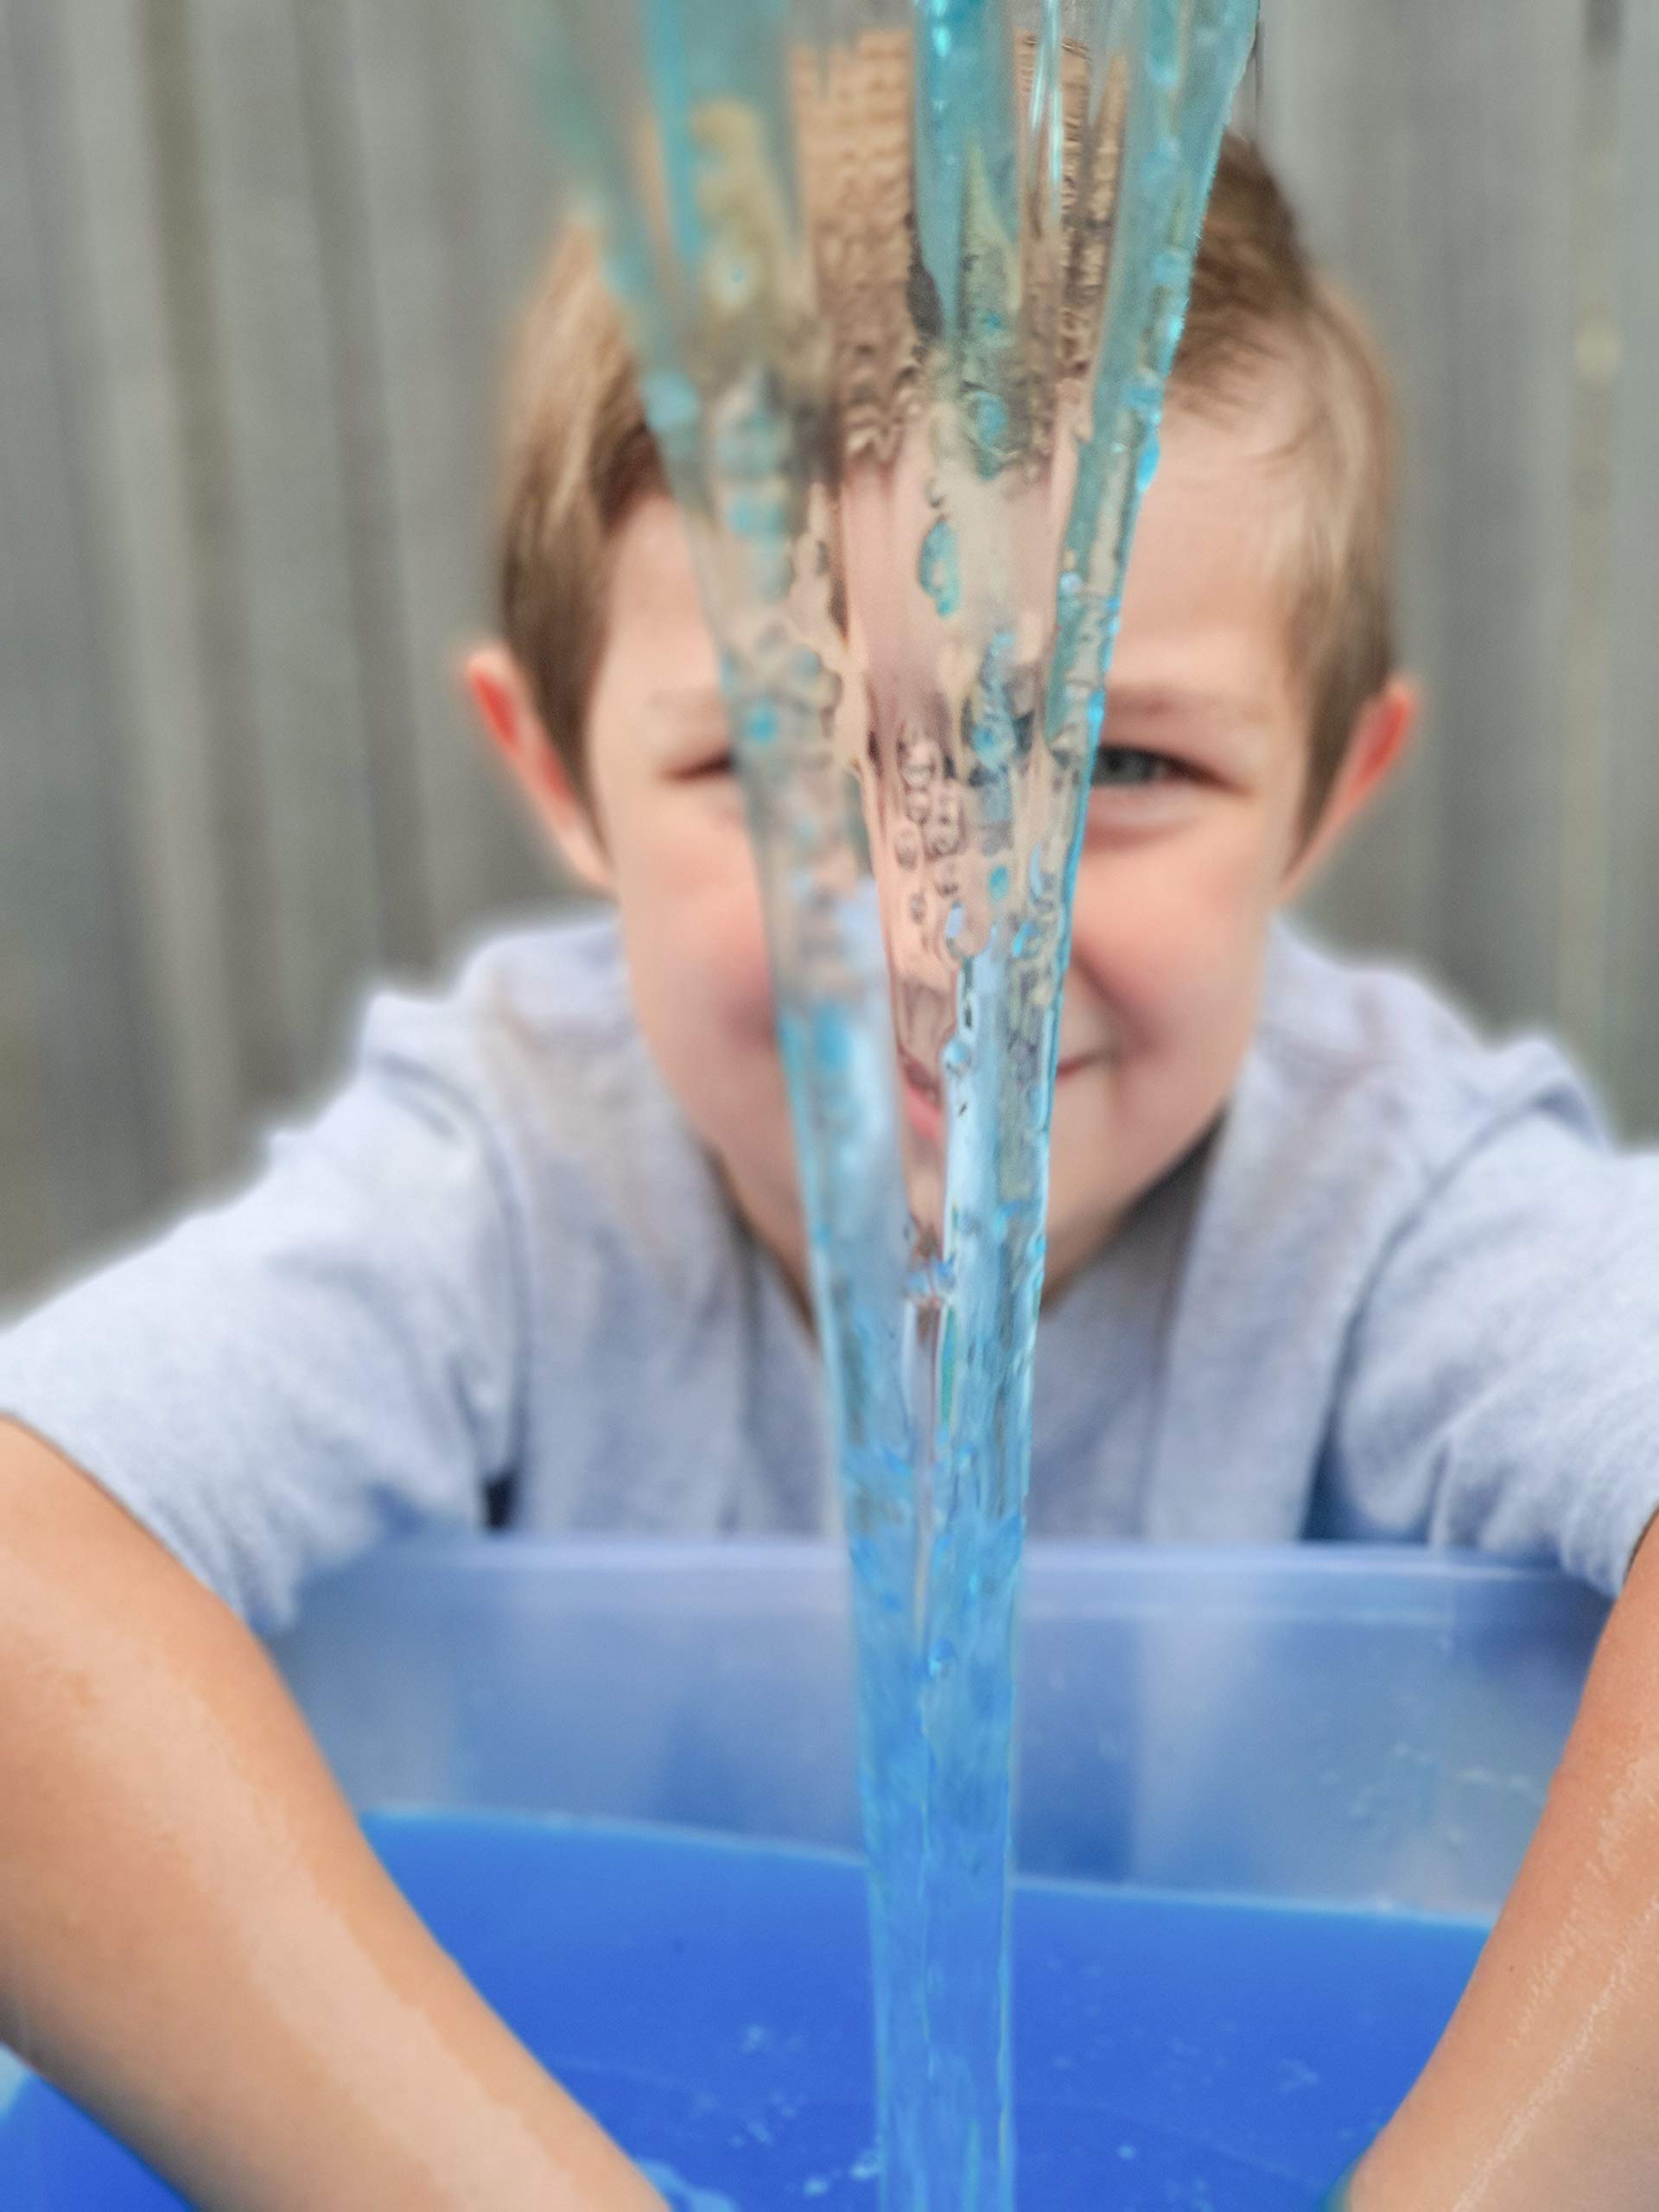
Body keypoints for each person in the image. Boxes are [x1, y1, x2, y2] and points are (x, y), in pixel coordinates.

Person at [2, 129, 1657, 2211]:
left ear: (1330, 792)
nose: (946, 940)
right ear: (555, 774)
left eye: (1123, 767)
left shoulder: (1392, 1194)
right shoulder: (513, 1175)